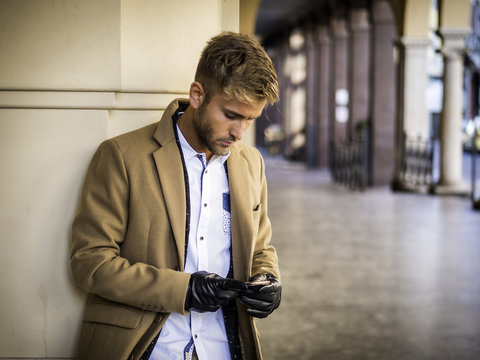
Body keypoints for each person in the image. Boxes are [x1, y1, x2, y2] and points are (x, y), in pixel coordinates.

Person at [70, 32, 281, 360]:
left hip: (226, 347)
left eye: (250, 119)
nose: (240, 133)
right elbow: (90, 263)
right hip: (146, 347)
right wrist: (183, 290)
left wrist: (268, 279)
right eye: (231, 115)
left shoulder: (251, 161)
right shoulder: (122, 156)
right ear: (197, 94)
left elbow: (260, 248)